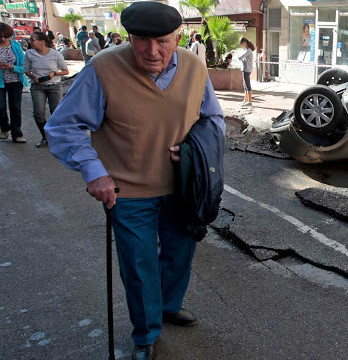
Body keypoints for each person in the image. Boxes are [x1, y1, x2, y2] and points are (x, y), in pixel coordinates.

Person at [45, 2, 225, 359]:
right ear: (130, 37)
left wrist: (193, 150)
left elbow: (214, 121)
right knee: (140, 266)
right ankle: (145, 333)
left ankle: (168, 305)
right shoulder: (103, 68)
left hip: (183, 188)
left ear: (177, 37)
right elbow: (64, 127)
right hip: (127, 193)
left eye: (162, 41)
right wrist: (94, 171)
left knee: (179, 256)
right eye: (142, 41)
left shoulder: (194, 66)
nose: (152, 51)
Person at [24, 31, 69, 148]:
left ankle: (56, 137)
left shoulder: (55, 54)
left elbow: (65, 71)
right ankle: (45, 136)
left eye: (32, 39)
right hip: (37, 86)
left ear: (42, 41)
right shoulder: (29, 53)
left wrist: (54, 73)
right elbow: (26, 70)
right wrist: (32, 76)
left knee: (56, 113)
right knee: (38, 113)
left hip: (54, 85)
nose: (30, 42)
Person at [0, 23, 29, 143]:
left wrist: (12, 67)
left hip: (16, 81)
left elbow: (24, 67)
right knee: (1, 107)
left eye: (5, 36)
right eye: (0, 36)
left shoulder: (16, 47)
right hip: (1, 82)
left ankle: (17, 133)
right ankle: (5, 128)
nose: (2, 39)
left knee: (15, 107)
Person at [238, 37, 254, 106]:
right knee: (245, 86)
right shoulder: (247, 50)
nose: (241, 46)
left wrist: (239, 56)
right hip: (245, 69)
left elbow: (240, 57)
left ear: (244, 43)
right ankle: (245, 100)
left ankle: (249, 101)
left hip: (247, 69)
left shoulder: (249, 50)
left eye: (241, 44)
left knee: (247, 85)